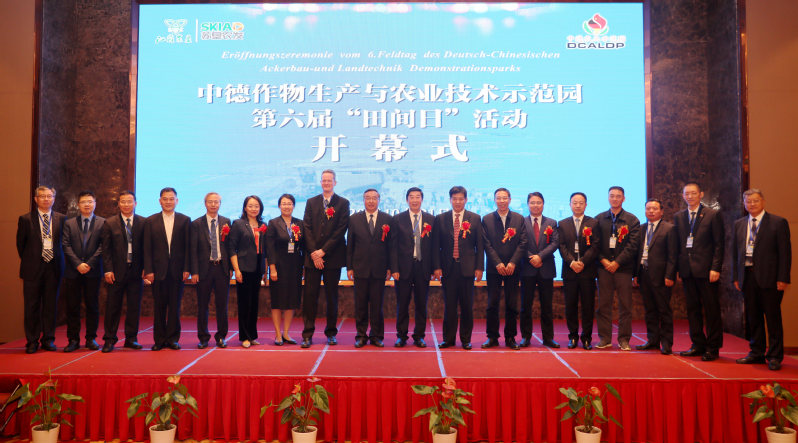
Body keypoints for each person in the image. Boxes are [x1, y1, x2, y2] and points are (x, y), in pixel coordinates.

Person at [733, 189, 791, 370]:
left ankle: (774, 356)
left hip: (771, 279)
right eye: (748, 201)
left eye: (755, 201)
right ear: (744, 204)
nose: (751, 204)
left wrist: (783, 278)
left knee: (773, 318)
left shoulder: (778, 223)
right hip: (747, 277)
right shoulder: (739, 224)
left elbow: (785, 253)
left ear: (763, 202)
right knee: (753, 317)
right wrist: (736, 276)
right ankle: (756, 353)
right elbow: (735, 253)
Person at [674, 182, 725, 361]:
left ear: (701, 194)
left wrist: (715, 268)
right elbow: (678, 245)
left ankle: (713, 347)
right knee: (692, 310)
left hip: (707, 271)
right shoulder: (679, 216)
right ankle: (697, 344)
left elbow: (719, 244)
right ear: (683, 196)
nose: (690, 196)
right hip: (687, 271)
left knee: (711, 310)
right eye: (686, 193)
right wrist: (679, 269)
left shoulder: (712, 214)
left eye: (693, 193)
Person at [301, 169, 350, 348]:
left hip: (333, 257)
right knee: (310, 297)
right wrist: (314, 253)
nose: (327, 183)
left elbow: (340, 230)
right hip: (312, 258)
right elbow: (306, 227)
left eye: (330, 180)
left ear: (335, 182)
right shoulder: (311, 202)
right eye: (324, 180)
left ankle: (331, 333)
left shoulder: (343, 203)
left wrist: (323, 251)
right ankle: (307, 334)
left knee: (332, 297)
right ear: (320, 182)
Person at [433, 186, 484, 350]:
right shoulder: (441, 219)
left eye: (461, 199)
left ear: (466, 200)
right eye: (454, 199)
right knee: (449, 307)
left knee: (467, 306)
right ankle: (448, 339)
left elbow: (480, 246)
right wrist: (436, 267)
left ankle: (466, 339)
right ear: (450, 200)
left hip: (467, 269)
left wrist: (479, 268)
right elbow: (436, 246)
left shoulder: (475, 218)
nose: (457, 202)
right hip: (448, 269)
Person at [16, 186, 65, 354]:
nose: (46, 199)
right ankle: (32, 341)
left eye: (49, 196)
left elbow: (64, 243)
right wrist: (33, 259)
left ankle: (48, 339)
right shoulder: (25, 219)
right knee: (31, 306)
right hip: (32, 269)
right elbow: (21, 246)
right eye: (42, 196)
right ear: (36, 199)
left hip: (54, 269)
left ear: (54, 199)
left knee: (50, 306)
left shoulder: (62, 219)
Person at [142, 187, 191, 351]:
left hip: (178, 271)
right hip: (157, 272)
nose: (168, 202)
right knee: (159, 307)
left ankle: (173, 339)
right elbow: (147, 248)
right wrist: (148, 270)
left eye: (171, 199)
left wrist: (187, 268)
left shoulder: (185, 220)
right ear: (159, 201)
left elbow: (188, 247)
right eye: (165, 199)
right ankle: (159, 340)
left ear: (177, 201)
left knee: (175, 307)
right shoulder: (150, 221)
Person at [595, 186, 640, 351]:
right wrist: (604, 261)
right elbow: (594, 244)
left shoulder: (632, 220)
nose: (614, 199)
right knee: (603, 305)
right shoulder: (599, 219)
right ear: (608, 198)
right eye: (612, 196)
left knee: (625, 306)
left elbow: (633, 245)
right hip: (604, 268)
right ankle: (605, 338)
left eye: (618, 196)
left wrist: (617, 262)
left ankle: (624, 339)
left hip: (624, 269)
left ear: (624, 198)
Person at [481, 188, 527, 350]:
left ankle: (510, 337)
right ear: (494, 200)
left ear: (510, 199)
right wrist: (497, 263)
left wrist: (513, 262)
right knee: (492, 304)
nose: (501, 201)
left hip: (513, 268)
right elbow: (486, 244)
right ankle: (492, 337)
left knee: (512, 304)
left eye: (504, 198)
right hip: (494, 268)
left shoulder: (519, 219)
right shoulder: (487, 219)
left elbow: (523, 242)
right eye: (498, 198)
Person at [390, 187, 435, 348]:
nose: (414, 200)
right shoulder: (398, 219)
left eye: (417, 197)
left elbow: (435, 247)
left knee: (421, 304)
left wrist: (434, 268)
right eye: (411, 197)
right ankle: (401, 336)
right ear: (407, 200)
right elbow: (393, 246)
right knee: (402, 303)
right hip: (403, 269)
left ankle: (419, 336)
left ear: (422, 199)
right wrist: (394, 268)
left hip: (423, 267)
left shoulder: (431, 219)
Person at [347, 189, 392, 348]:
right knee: (360, 305)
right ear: (363, 200)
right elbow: (350, 244)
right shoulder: (354, 219)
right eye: (368, 198)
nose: (371, 201)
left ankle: (376, 336)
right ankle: (361, 335)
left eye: (374, 198)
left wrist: (390, 267)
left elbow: (391, 246)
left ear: (379, 200)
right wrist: (350, 267)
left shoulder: (387, 219)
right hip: (360, 268)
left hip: (380, 269)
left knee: (377, 305)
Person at [101, 190, 145, 353]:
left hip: (136, 272)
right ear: (118, 204)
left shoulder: (143, 222)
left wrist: (146, 268)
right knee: (113, 307)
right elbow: (106, 249)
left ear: (135, 203)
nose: (127, 204)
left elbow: (146, 248)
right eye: (123, 201)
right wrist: (108, 270)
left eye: (130, 201)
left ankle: (131, 339)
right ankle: (109, 339)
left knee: (134, 307)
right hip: (116, 272)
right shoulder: (110, 223)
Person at [61, 190, 105, 352]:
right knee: (72, 306)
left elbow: (103, 246)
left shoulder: (103, 223)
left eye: (90, 201)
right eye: (84, 202)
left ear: (95, 204)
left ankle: (91, 338)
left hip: (93, 271)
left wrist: (89, 264)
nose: (87, 204)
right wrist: (78, 264)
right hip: (73, 271)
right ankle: (73, 339)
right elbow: (65, 245)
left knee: (92, 306)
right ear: (78, 205)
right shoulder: (69, 223)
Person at [633, 199, 677, 354]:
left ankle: (666, 343)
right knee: (650, 310)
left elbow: (673, 255)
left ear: (661, 211)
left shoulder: (669, 229)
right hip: (644, 274)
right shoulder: (642, 228)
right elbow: (638, 253)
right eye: (648, 208)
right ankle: (652, 340)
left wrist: (670, 275)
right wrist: (636, 274)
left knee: (664, 310)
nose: (651, 211)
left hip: (661, 276)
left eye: (654, 208)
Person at [558, 192, 600, 350]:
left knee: (588, 306)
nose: (577, 205)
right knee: (571, 305)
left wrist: (582, 262)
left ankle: (587, 338)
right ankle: (573, 336)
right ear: (570, 204)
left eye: (581, 203)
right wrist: (571, 262)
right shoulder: (563, 224)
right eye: (574, 202)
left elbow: (595, 245)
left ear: (586, 205)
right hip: (569, 271)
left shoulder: (593, 223)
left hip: (587, 271)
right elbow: (561, 246)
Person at [190, 192, 231, 349]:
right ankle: (203, 338)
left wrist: (230, 268)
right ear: (205, 203)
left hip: (221, 268)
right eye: (210, 202)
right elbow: (193, 249)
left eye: (216, 202)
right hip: (203, 270)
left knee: (222, 305)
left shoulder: (226, 222)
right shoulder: (196, 224)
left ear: (220, 203)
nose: (213, 204)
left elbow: (230, 247)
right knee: (202, 305)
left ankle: (221, 336)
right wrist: (194, 272)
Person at [519, 192, 560, 348]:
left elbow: (555, 243)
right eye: (532, 202)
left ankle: (548, 338)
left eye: (538, 202)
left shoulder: (552, 222)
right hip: (527, 268)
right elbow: (519, 243)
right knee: (525, 306)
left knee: (547, 306)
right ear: (528, 204)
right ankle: (526, 337)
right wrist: (531, 257)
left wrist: (540, 257)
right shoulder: (521, 222)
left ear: (543, 204)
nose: (535, 205)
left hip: (546, 267)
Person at [228, 195, 267, 348]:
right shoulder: (238, 224)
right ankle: (244, 336)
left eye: (256, 206)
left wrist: (265, 271)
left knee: (254, 304)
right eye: (250, 206)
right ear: (245, 207)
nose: (253, 209)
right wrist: (236, 270)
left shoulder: (263, 225)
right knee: (244, 303)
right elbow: (232, 248)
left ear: (260, 208)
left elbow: (265, 249)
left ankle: (252, 335)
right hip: (243, 268)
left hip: (258, 268)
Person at [266, 194, 304, 346]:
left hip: (295, 266)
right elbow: (269, 248)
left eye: (289, 203)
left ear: (293, 206)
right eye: (284, 203)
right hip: (279, 267)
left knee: (291, 301)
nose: (286, 206)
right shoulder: (273, 223)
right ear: (279, 206)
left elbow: (303, 245)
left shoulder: (299, 223)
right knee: (277, 301)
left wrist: (303, 267)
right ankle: (277, 334)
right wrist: (272, 268)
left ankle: (286, 333)